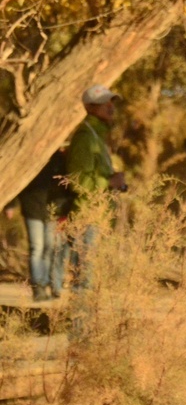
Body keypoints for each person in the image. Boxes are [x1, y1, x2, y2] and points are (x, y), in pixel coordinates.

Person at [66, 84, 127, 290]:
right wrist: (108, 182)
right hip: (87, 219)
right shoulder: (85, 137)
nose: (110, 107)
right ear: (90, 108)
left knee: (91, 285)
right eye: (104, 103)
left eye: (111, 102)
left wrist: (114, 180)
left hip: (98, 218)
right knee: (84, 283)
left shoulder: (98, 136)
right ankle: (78, 323)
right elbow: (78, 180)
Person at [7, 150, 73, 301]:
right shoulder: (29, 158)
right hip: (32, 207)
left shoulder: (57, 159)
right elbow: (18, 181)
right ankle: (39, 286)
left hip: (51, 210)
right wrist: (11, 204)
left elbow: (62, 185)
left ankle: (45, 283)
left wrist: (63, 210)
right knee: (37, 247)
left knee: (49, 248)